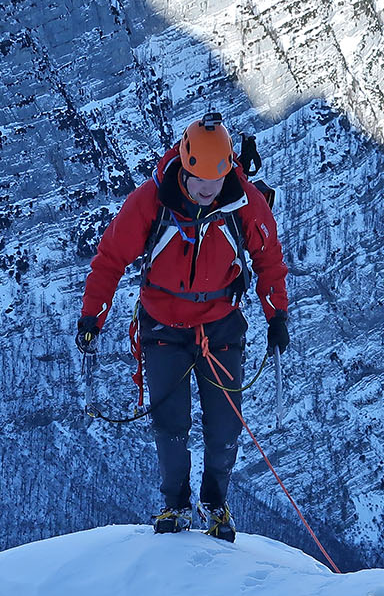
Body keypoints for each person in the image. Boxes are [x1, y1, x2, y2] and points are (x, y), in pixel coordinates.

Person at [75, 113, 289, 540]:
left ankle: (214, 503)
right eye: (200, 185)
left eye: (216, 184)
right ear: (185, 168)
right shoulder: (151, 203)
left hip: (221, 326)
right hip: (164, 327)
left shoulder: (243, 201)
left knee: (225, 426)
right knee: (171, 426)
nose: (208, 194)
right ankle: (175, 505)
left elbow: (268, 262)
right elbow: (110, 259)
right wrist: (92, 316)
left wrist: (276, 317)